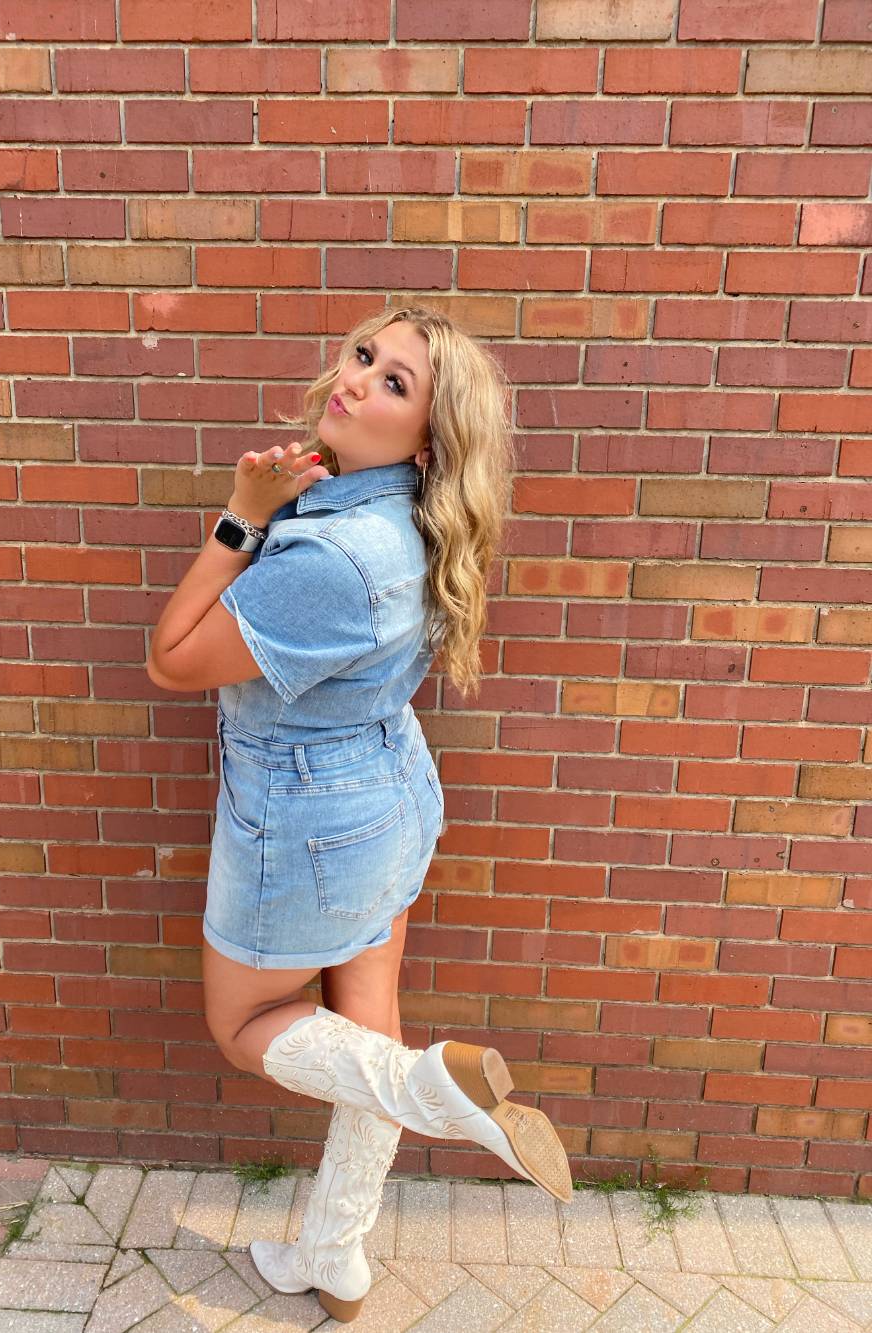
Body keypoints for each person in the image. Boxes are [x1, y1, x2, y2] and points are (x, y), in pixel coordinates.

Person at [146, 305, 572, 1323]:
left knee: (246, 1022)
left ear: (427, 437)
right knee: (365, 1025)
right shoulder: (403, 515)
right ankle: (334, 1253)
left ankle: (434, 1091)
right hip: (384, 794)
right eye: (363, 354)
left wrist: (241, 513)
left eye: (392, 383)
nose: (356, 379)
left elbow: (170, 658)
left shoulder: (335, 559)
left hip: (308, 814)